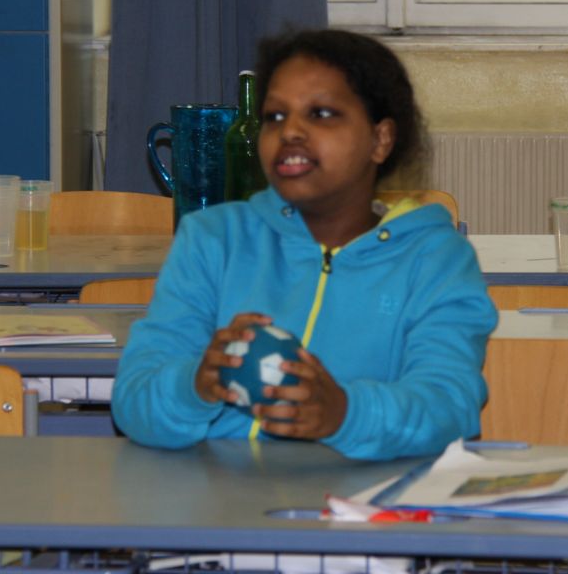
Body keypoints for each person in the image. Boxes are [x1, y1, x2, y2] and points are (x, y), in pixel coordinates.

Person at [111, 28, 496, 461]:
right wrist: (194, 385)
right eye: (275, 116)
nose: (290, 131)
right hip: (216, 495)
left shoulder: (436, 259)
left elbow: (449, 406)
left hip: (364, 496)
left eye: (321, 113)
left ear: (380, 140)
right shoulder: (214, 239)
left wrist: (346, 414)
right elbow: (133, 400)